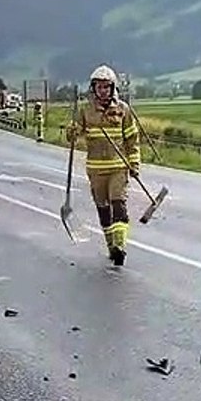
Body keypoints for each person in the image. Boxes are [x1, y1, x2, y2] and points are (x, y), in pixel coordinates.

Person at [65, 65, 141, 266]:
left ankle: (120, 246)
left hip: (118, 168)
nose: (103, 91)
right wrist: (72, 131)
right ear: (93, 88)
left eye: (107, 87)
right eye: (99, 87)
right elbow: (73, 135)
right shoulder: (85, 110)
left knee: (119, 204)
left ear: (112, 87)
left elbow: (132, 138)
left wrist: (134, 163)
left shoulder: (123, 109)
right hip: (96, 170)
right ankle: (110, 247)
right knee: (103, 209)